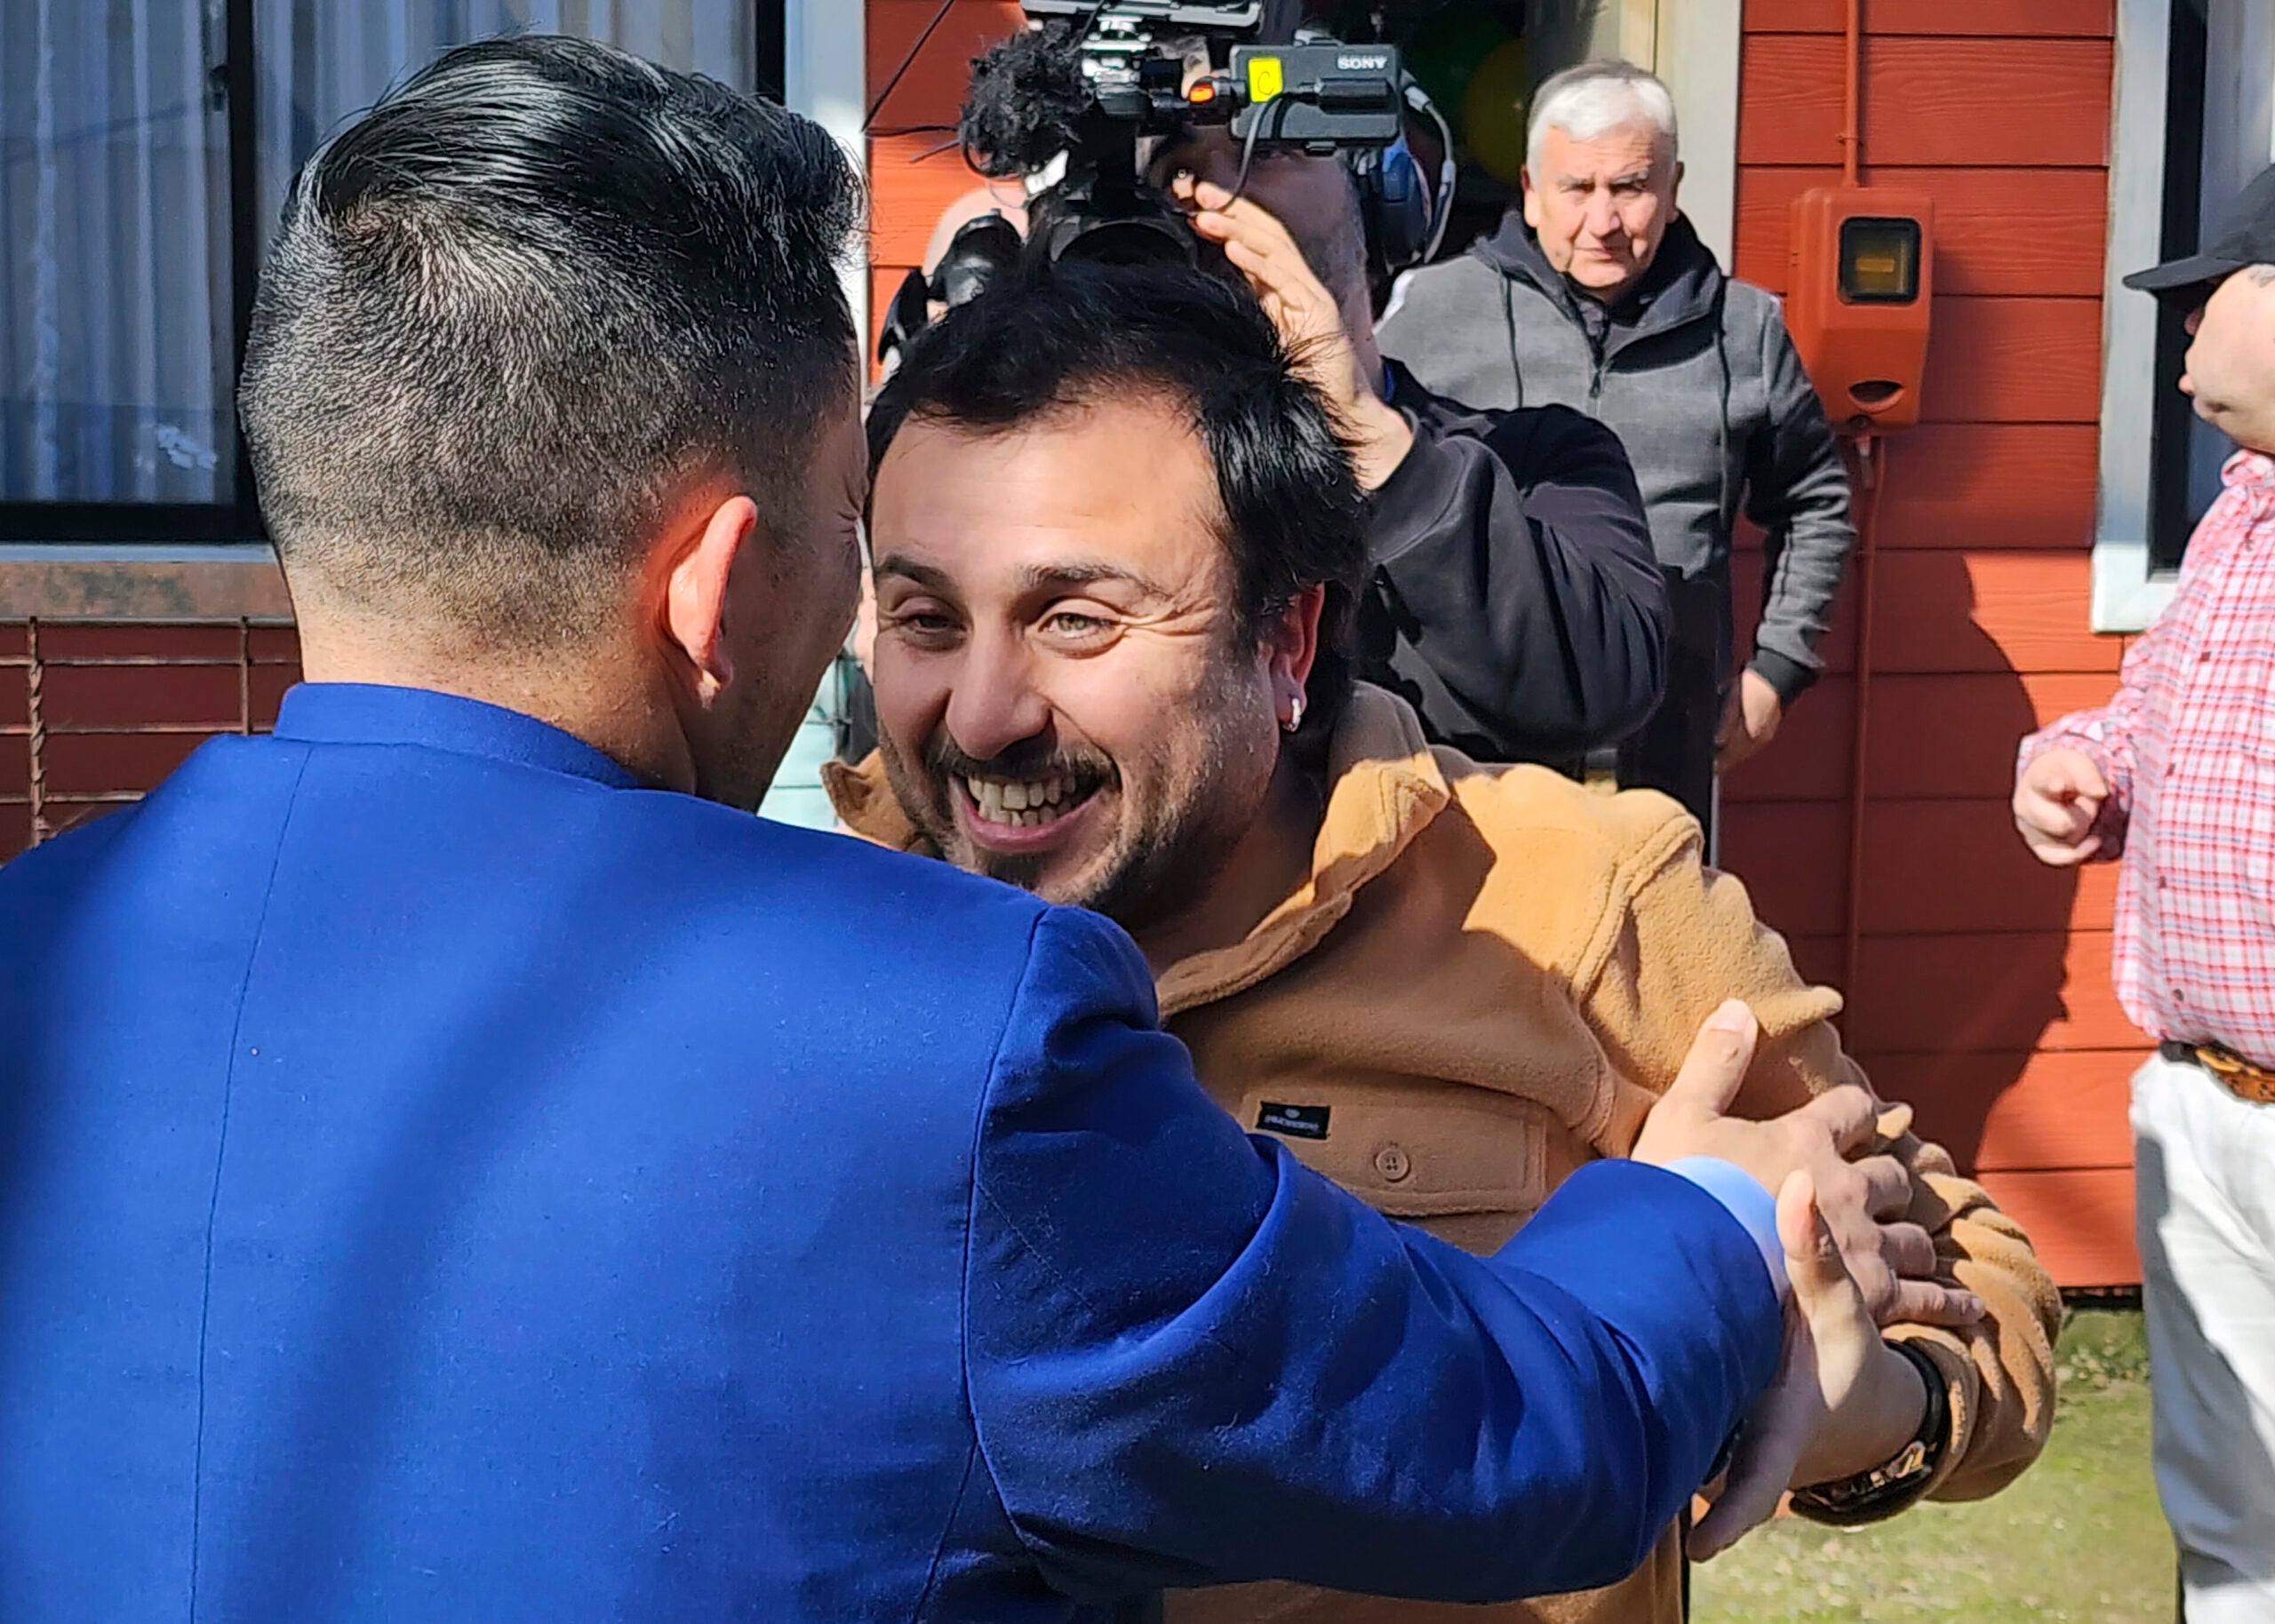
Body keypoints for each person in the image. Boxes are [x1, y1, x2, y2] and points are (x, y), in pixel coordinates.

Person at [0, 35, 1891, 1624]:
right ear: (716, 581)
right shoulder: (933, 1032)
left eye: (1077, 609)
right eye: (870, 547)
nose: (973, 693)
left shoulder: (40, 953)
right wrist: (1709, 1210)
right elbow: (1513, 1444)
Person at [826, 262, 2061, 1624]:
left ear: (1286, 639)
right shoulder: (830, 919)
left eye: (1076, 619)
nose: (984, 713)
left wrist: (1873, 1410)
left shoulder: (1578, 901)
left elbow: (1974, 1281)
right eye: (928, 618)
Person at [2015, 163, 2275, 1624]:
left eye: (2201, 303)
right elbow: (2158, 705)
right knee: (2233, 1523)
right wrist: (2076, 765)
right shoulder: (2241, 511)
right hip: (2206, 1099)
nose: (2174, 347)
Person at [1378, 60, 1855, 830]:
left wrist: (1778, 669)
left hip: (1664, 737)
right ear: (1529, 190)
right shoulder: (1429, 312)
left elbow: (1815, 504)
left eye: (1630, 188)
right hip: (1469, 740)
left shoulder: (1748, 330)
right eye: (1576, 189)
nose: (1602, 221)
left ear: (1672, 190)